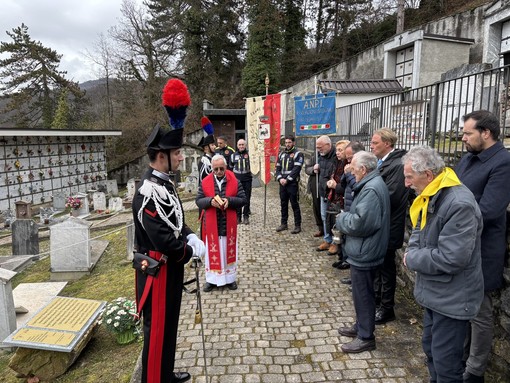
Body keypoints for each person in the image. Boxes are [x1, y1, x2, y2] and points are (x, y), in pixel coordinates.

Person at [133, 78, 205, 383]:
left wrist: (189, 234)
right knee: (158, 329)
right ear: (161, 155)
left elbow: (174, 222)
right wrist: (189, 250)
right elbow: (163, 239)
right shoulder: (149, 191)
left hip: (169, 268)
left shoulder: (164, 184)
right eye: (176, 153)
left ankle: (164, 373)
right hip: (157, 270)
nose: (180, 157)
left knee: (170, 325)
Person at [402, 146, 483, 383]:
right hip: (435, 293)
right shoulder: (431, 194)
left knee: (446, 363)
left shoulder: (459, 203)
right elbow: (418, 230)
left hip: (453, 297)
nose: (406, 183)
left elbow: (452, 258)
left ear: (428, 175)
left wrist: (412, 258)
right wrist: (413, 251)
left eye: (409, 177)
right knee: (431, 351)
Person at [455, 110, 510, 383]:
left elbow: (488, 210)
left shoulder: (503, 162)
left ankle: (474, 372)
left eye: (468, 133)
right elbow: (450, 190)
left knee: (479, 312)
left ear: (485, 133)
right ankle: (461, 360)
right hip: (459, 245)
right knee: (462, 309)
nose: (463, 138)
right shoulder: (467, 158)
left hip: (483, 248)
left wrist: (450, 220)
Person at [335, 151, 390, 353]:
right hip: (365, 248)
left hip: (365, 250)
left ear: (363, 169)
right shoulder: (371, 184)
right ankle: (361, 326)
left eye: (354, 167)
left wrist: (341, 219)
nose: (351, 170)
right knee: (361, 294)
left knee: (364, 295)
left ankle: (366, 336)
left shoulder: (371, 189)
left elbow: (361, 223)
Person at [370, 128, 409, 325]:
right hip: (381, 223)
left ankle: (387, 308)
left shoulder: (397, 164)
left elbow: (391, 195)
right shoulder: (384, 163)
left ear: (387, 143)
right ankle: (377, 301)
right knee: (378, 266)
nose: (371, 146)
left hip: (389, 224)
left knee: (386, 268)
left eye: (375, 143)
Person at [196, 154, 247, 292]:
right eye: (216, 169)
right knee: (212, 252)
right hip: (211, 226)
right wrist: (209, 202)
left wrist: (229, 201)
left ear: (225, 167)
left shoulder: (235, 181)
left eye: (221, 169)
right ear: (212, 168)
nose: (219, 172)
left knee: (227, 252)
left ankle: (230, 279)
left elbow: (243, 199)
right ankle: (211, 280)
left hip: (227, 226)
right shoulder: (205, 182)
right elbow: (198, 200)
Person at [336, 141, 365, 276]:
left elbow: (357, 187)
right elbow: (343, 184)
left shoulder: (363, 168)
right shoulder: (350, 167)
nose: (348, 161)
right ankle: (346, 262)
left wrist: (348, 173)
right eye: (347, 158)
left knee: (354, 242)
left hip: (355, 208)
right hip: (347, 204)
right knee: (345, 238)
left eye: (350, 158)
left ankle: (352, 269)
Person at [325, 139, 350, 264]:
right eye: (337, 150)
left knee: (342, 231)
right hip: (334, 198)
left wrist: (335, 186)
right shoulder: (337, 163)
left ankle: (345, 258)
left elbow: (346, 186)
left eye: (340, 150)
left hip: (343, 201)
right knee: (335, 228)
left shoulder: (348, 166)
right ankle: (341, 256)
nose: (337, 153)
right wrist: (330, 183)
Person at [275, 135, 304, 234]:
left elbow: (296, 169)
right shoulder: (281, 154)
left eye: (289, 142)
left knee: (294, 204)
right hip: (282, 183)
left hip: (292, 184)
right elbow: (277, 168)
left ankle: (297, 225)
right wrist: (280, 179)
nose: (287, 144)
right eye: (286, 142)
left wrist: (287, 180)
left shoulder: (298, 154)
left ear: (293, 143)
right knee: (283, 204)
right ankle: (284, 223)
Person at [314, 135, 337, 254]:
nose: (318, 150)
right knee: (324, 217)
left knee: (332, 219)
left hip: (332, 193)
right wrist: (315, 169)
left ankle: (335, 242)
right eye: (317, 147)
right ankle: (327, 239)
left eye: (320, 147)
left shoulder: (336, 156)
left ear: (328, 145)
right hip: (323, 192)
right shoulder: (320, 155)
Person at [230, 138, 252, 224]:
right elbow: (230, 167)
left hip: (247, 180)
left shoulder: (249, 155)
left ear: (245, 145)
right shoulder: (233, 155)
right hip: (237, 181)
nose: (241, 146)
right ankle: (238, 217)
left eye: (243, 144)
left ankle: (246, 216)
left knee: (247, 198)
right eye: (240, 145)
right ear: (237, 146)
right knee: (238, 199)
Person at [304, 156, 323, 238]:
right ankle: (320, 228)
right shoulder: (313, 157)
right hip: (314, 184)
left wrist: (320, 168)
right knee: (316, 206)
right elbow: (306, 169)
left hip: (324, 184)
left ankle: (327, 229)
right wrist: (313, 169)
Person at [198, 117, 216, 186]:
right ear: (206, 148)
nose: (215, 147)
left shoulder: (212, 158)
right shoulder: (204, 161)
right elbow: (204, 180)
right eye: (212, 145)